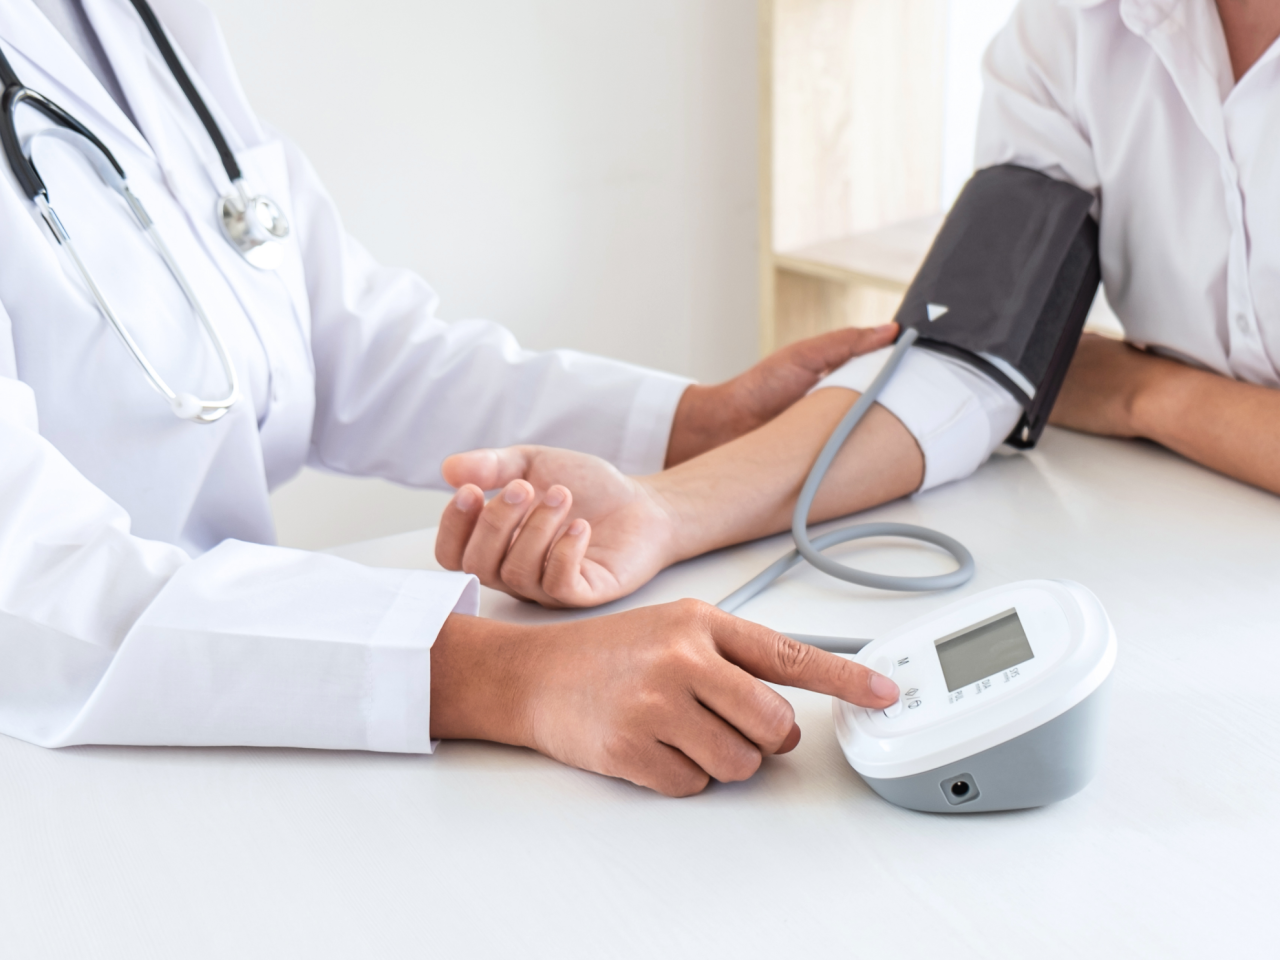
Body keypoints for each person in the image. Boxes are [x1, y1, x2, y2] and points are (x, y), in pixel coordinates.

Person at [0, 0, 903, 798]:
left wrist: (691, 424)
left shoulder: (132, 19)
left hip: (237, 709)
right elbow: (29, 582)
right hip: (61, 761)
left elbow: (347, 343)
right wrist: (509, 675)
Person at [436, 0, 1280, 751]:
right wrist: (665, 511)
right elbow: (972, 355)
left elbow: (1041, 365)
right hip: (1169, 541)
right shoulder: (1073, 24)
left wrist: (1143, 393)